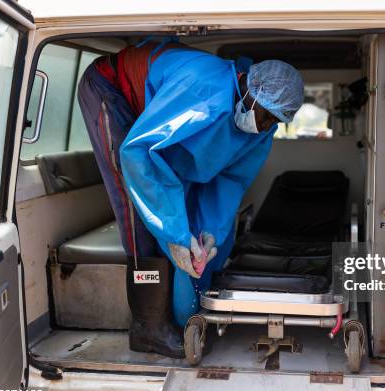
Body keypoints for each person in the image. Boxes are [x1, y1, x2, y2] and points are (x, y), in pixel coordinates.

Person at [77, 39, 304, 358]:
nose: (265, 126)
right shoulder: (203, 92)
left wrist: (209, 232)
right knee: (137, 212)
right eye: (266, 115)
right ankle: (148, 327)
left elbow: (229, 181)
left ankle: (177, 315)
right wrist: (174, 234)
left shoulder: (260, 132)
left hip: (155, 106)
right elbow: (138, 152)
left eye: (275, 122)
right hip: (112, 90)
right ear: (248, 86)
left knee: (183, 214)